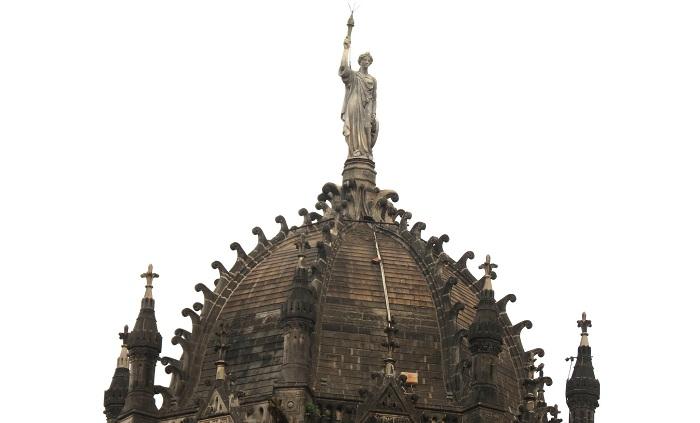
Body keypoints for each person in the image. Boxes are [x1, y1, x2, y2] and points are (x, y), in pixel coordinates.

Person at [340, 35, 378, 160]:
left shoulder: (373, 79)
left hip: (367, 107)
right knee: (354, 128)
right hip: (354, 103)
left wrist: (373, 112)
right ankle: (354, 151)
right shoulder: (354, 75)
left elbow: (374, 97)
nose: (366, 62)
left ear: (370, 62)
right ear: (360, 61)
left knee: (367, 128)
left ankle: (367, 153)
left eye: (368, 60)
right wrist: (346, 49)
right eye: (364, 60)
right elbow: (344, 69)